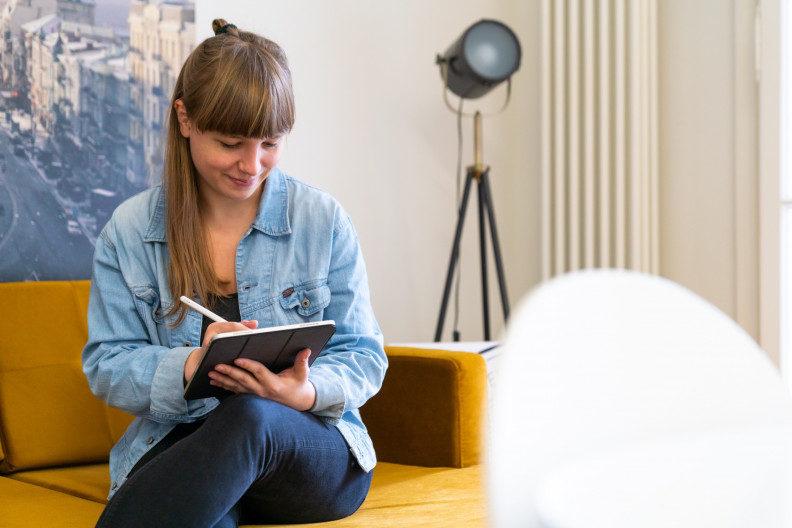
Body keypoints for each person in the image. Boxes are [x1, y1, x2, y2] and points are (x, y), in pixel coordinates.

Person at [82, 18, 387, 528]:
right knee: (213, 503)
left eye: (270, 143)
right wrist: (190, 365)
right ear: (184, 118)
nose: (252, 164)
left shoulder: (322, 220)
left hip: (308, 452)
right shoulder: (130, 231)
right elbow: (106, 364)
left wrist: (302, 394)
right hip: (192, 449)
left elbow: (363, 353)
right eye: (230, 143)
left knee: (250, 415)